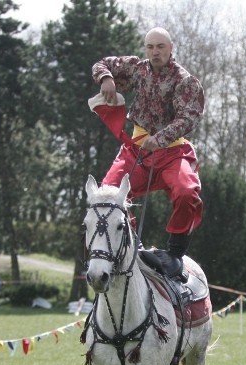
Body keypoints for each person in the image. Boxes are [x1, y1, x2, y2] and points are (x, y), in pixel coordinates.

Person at [91, 27, 205, 281]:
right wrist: (106, 79)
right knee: (108, 191)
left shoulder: (184, 81)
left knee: (187, 192)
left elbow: (190, 116)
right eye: (150, 47)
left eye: (160, 47)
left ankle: (175, 252)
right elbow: (102, 64)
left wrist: (161, 137)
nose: (155, 52)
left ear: (171, 48)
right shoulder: (136, 68)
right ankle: (132, 245)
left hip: (173, 150)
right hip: (138, 149)